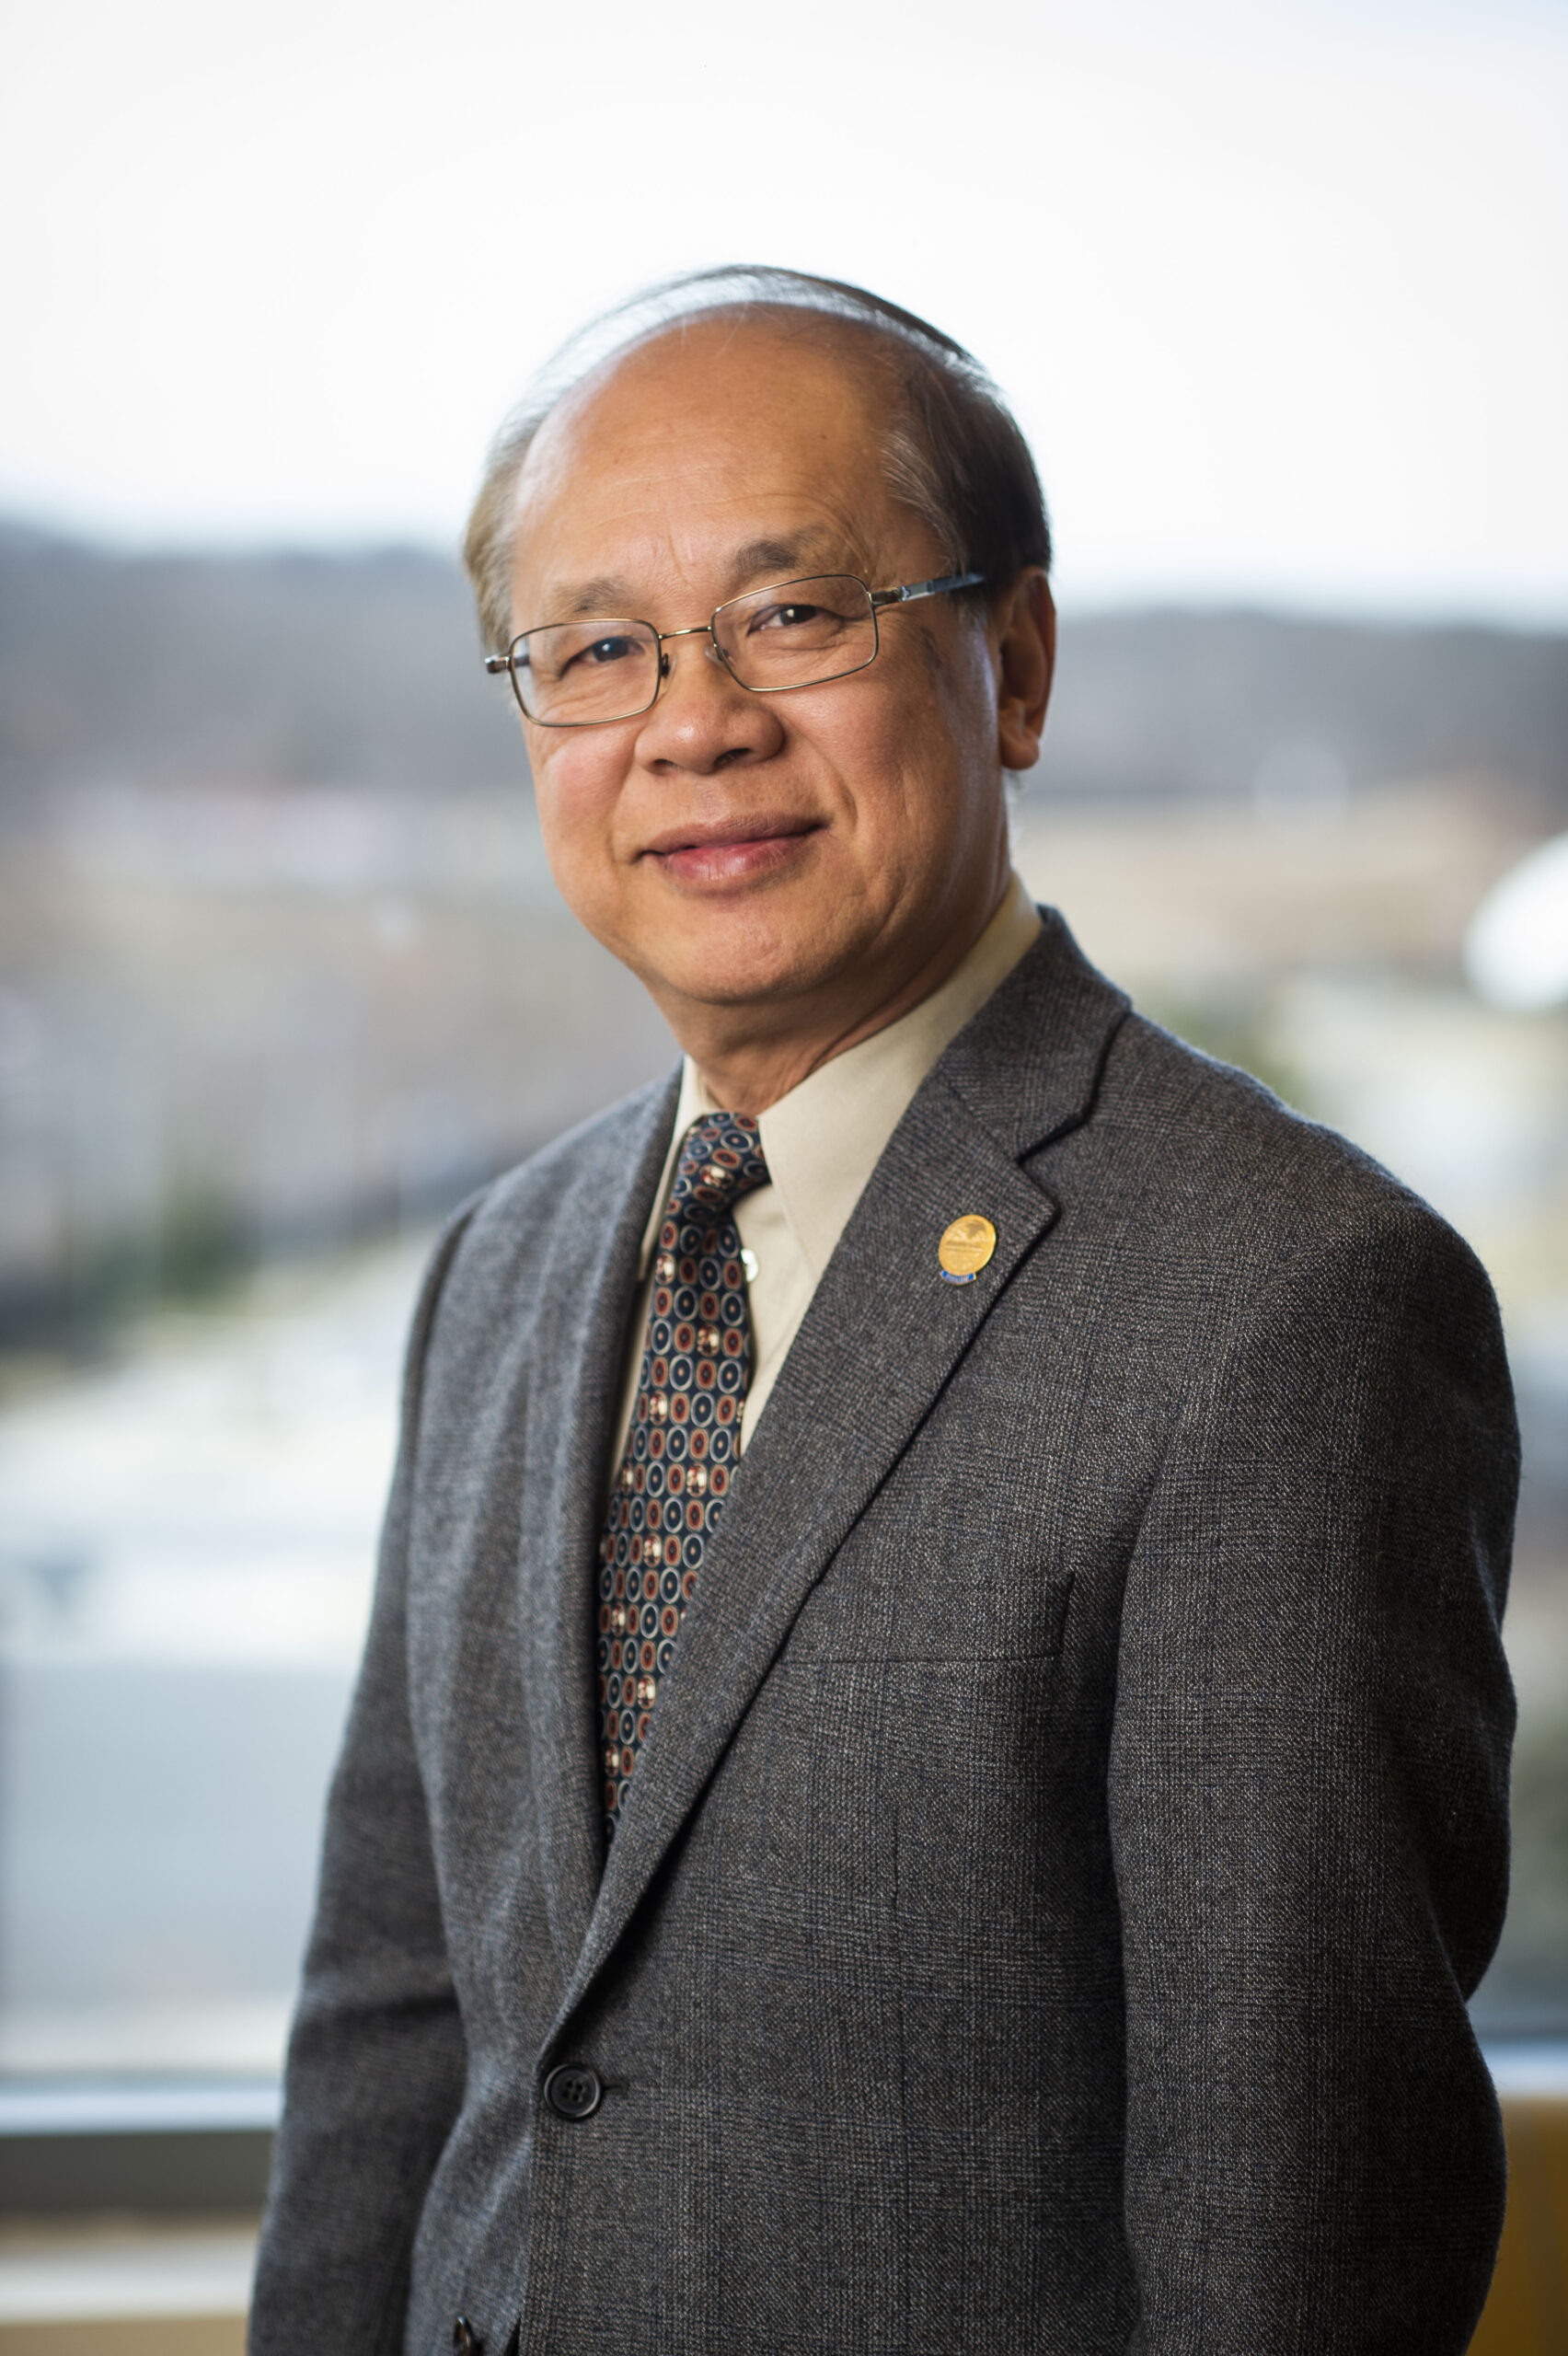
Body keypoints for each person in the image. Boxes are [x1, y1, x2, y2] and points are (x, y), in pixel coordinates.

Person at [249, 268, 1517, 2356]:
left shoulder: (1293, 1306)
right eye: (595, 650)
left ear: (1010, 664)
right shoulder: (504, 1268)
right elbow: (393, 2035)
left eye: (795, 613)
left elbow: (1298, 2252)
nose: (693, 721)